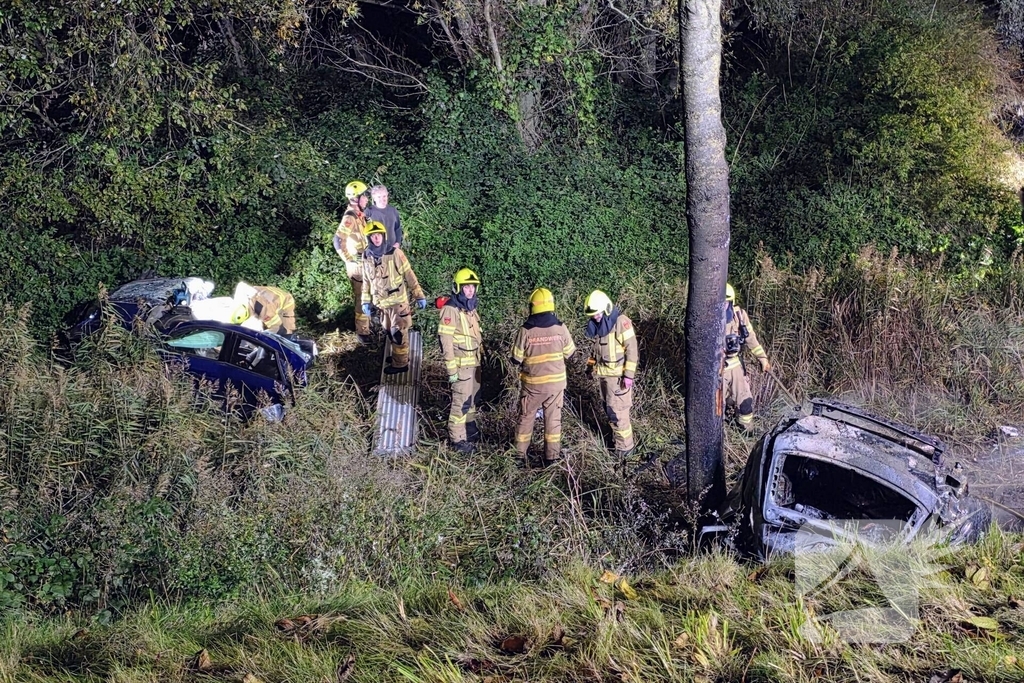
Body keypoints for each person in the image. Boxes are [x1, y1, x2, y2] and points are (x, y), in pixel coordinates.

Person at [511, 288, 576, 466]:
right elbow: (570, 353)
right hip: (556, 385)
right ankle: (551, 458)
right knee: (553, 420)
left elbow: (516, 359)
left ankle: (518, 457)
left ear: (532, 306)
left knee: (526, 418)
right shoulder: (561, 328)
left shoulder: (525, 330)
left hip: (533, 385)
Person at [360, 220, 426, 374]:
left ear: (384, 236)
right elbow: (366, 280)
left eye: (379, 235)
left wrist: (419, 295)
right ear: (368, 238)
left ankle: (401, 364)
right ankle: (400, 357)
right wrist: (365, 301)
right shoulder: (366, 256)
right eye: (373, 236)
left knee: (398, 334)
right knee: (390, 332)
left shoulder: (395, 253)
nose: (377, 238)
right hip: (382, 304)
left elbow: (409, 274)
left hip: (398, 302)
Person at [583, 290, 639, 457]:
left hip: (618, 379)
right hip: (604, 378)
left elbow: (632, 349)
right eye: (592, 315)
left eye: (597, 313)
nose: (595, 317)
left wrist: (628, 375)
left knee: (618, 413)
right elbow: (596, 352)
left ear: (606, 308)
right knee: (610, 411)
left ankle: (625, 449)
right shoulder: (600, 325)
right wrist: (589, 368)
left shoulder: (621, 322)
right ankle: (617, 442)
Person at [438, 268, 483, 453]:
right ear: (458, 288)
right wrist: (452, 371)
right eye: (466, 287)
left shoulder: (470, 308)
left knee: (472, 400)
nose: (470, 290)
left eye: (472, 286)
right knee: (461, 403)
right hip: (461, 368)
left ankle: (470, 428)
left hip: (474, 364)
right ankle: (458, 440)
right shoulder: (451, 309)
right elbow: (446, 341)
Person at [722, 282, 771, 432]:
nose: (722, 307)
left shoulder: (739, 316)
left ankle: (746, 430)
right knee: (716, 405)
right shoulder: (707, 319)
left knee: (745, 401)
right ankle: (720, 434)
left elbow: (751, 339)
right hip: (717, 369)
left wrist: (762, 358)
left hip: (735, 365)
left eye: (725, 303)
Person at [333, 180, 372, 344]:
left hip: (365, 262)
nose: (367, 199)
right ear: (357, 198)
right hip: (358, 266)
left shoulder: (359, 214)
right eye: (365, 196)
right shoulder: (350, 217)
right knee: (362, 297)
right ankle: (362, 332)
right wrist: (349, 259)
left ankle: (369, 322)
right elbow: (337, 240)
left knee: (370, 294)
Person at [366, 184, 404, 248]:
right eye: (379, 197)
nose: (382, 199)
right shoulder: (369, 211)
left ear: (387, 196)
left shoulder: (393, 210)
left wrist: (398, 243)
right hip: (376, 249)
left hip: (393, 247)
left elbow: (398, 228)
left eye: (384, 196)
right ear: (374, 198)